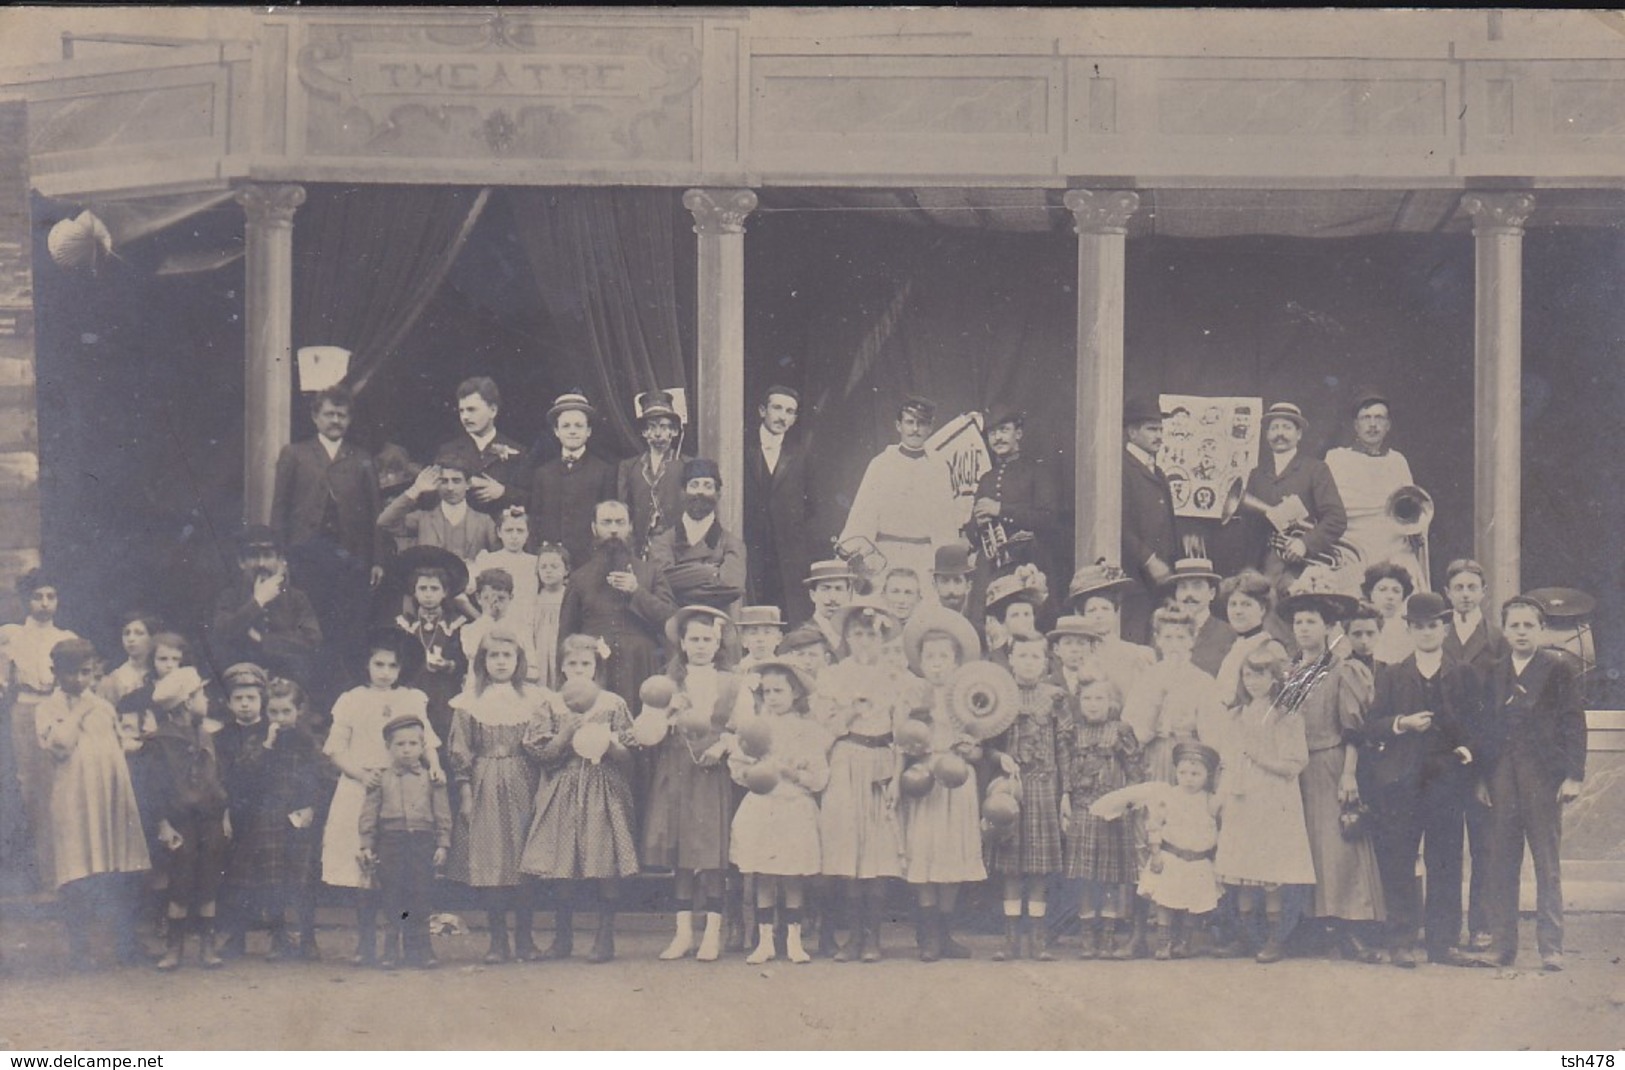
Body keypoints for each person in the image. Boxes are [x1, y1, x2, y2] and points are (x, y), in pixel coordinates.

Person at [1359, 591, 1482, 968]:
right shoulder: (1394, 674)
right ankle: (1402, 939)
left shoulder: (1463, 673)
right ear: (1409, 630)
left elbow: (1481, 723)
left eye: (1434, 626)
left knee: (1444, 858)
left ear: (1445, 629)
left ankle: (1443, 943)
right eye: (1419, 627)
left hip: (1446, 778)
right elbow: (1372, 725)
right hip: (1403, 778)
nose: (1427, 633)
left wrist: (1466, 754)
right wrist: (1402, 724)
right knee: (1399, 857)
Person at [321, 631, 443, 967]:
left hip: (403, 790)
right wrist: (361, 774)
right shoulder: (351, 700)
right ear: (368, 665)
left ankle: (403, 945)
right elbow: (334, 749)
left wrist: (434, 768)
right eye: (379, 664)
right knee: (364, 867)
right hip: (361, 787)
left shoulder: (411, 698)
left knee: (399, 873)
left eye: (391, 665)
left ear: (400, 668)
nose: (385, 672)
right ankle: (366, 943)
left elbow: (427, 741)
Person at [1478, 596, 1587, 972]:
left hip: (1543, 775)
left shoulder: (1558, 669)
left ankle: (1551, 947)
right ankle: (1501, 946)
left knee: (1546, 861)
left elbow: (1573, 722)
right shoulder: (1493, 672)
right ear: (1504, 630)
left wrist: (1573, 774)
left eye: (1529, 625)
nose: (1521, 632)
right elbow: (1484, 727)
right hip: (1502, 775)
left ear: (1541, 629)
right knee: (1501, 862)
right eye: (1515, 625)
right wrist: (1482, 777)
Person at [640, 605, 754, 962]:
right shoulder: (667, 682)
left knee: (711, 856)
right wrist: (666, 713)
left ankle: (712, 935)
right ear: (683, 644)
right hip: (677, 770)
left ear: (717, 642)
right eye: (695, 639)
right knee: (683, 856)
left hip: (712, 772)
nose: (702, 645)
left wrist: (722, 746)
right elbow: (646, 735)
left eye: (708, 639)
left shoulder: (734, 682)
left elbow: (746, 731)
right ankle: (683, 934)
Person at [1279, 590, 1386, 964]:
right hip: (1294, 768)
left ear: (1328, 627)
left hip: (1330, 762)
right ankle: (1310, 924)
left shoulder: (1343, 669)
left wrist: (1349, 774)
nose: (1303, 629)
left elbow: (1353, 728)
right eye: (1298, 622)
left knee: (1338, 847)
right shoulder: (1289, 671)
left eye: (1311, 622)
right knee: (1304, 847)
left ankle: (1350, 926)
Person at [520, 634, 641, 964]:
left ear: (595, 667)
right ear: (561, 667)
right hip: (564, 786)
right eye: (572, 664)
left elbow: (631, 756)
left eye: (585, 664)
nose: (578, 670)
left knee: (604, 861)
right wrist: (565, 734)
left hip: (603, 787)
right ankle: (563, 935)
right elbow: (538, 753)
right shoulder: (551, 704)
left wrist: (611, 744)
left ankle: (605, 936)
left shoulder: (612, 703)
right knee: (563, 862)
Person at [34, 637, 150, 970]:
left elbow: (116, 744)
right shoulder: (49, 708)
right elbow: (60, 746)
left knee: (118, 866)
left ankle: (126, 945)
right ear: (57, 673)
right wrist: (83, 709)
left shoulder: (104, 706)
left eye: (87, 673)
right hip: (74, 797)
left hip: (109, 795)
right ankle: (80, 950)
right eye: (73, 674)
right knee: (77, 870)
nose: (81, 681)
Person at [813, 601, 908, 963]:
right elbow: (828, 726)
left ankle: (872, 936)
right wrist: (851, 708)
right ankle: (851, 935)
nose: (865, 641)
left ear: (881, 638)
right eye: (857, 634)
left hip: (881, 760)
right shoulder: (834, 675)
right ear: (847, 637)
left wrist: (897, 778)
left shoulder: (895, 676)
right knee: (848, 847)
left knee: (878, 848)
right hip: (847, 758)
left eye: (871, 634)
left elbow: (901, 733)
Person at [1210, 644, 1314, 964]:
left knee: (1273, 868)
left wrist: (1259, 758)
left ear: (1274, 678)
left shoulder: (1286, 716)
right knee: (1244, 866)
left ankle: (1275, 938)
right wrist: (1223, 796)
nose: (1253, 681)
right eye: (1247, 675)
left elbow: (1295, 763)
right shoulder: (1236, 715)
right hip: (1243, 797)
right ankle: (1249, 938)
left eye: (1261, 675)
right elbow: (1228, 761)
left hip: (1274, 797)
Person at [447, 628, 544, 964]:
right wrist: (465, 792)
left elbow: (544, 743)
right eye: (493, 656)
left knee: (524, 861)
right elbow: (460, 750)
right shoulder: (470, 701)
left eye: (507, 656)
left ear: (518, 661)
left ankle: (525, 938)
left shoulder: (533, 699)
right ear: (482, 661)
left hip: (524, 779)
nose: (501, 662)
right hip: (485, 780)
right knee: (491, 861)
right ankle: (497, 940)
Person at [728, 659, 833, 965]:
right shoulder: (755, 727)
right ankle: (764, 942)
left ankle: (793, 940)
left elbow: (819, 776)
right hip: (762, 806)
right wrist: (755, 772)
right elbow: (736, 766)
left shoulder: (808, 730)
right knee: (764, 875)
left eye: (780, 690)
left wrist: (794, 772)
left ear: (795, 693)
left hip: (794, 806)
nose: (773, 696)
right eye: (767, 691)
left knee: (792, 877)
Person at [271, 384, 382, 673]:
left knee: (347, 629)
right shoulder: (295, 454)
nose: (336, 421)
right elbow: (279, 509)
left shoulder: (361, 458)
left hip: (350, 559)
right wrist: (278, 557)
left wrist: (376, 560)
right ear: (315, 417)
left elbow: (375, 514)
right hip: (304, 557)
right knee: (310, 625)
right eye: (330, 414)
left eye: (342, 415)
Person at [897, 607, 986, 962]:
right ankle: (928, 932)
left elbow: (980, 742)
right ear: (919, 661)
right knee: (925, 851)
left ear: (956, 660)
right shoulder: (912, 696)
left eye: (943, 657)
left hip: (957, 778)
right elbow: (901, 737)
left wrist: (970, 748)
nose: (936, 664)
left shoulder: (967, 696)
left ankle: (945, 930)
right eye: (929, 657)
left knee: (953, 853)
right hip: (924, 778)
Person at [1090, 741, 1224, 960]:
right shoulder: (1169, 796)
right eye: (1183, 772)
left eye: (1195, 774)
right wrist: (1156, 853)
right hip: (1171, 857)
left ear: (1207, 775)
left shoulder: (1210, 800)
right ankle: (1163, 943)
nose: (1188, 778)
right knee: (1165, 899)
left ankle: (1184, 942)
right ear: (1176, 772)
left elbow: (1218, 826)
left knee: (1192, 901)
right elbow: (1155, 825)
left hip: (1199, 861)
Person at [223, 677, 323, 961]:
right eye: (274, 713)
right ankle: (278, 938)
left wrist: (312, 808)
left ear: (298, 711)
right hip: (269, 817)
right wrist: (267, 745)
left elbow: (319, 779)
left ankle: (307, 937)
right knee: (273, 878)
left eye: (286, 712)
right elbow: (247, 776)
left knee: (303, 878)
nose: (280, 719)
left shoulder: (307, 742)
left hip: (300, 817)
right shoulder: (261, 741)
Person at [986, 634, 1071, 962]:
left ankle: (1039, 940)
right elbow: (987, 742)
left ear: (1046, 661)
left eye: (1035, 656)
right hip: (1011, 789)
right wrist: (999, 759)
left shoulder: (1056, 698)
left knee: (1038, 869)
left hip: (1045, 787)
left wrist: (1065, 793)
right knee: (1011, 868)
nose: (1028, 662)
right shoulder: (1001, 696)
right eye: (1022, 656)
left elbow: (1064, 746)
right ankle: (1010, 941)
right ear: (1011, 659)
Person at [143, 667, 230, 970]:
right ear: (185, 703)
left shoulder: (206, 734)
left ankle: (207, 945)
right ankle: (174, 946)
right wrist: (163, 824)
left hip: (210, 818)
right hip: (180, 822)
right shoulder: (160, 741)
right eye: (200, 694)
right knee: (180, 879)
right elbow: (154, 788)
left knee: (209, 876)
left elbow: (217, 778)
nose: (205, 699)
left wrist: (224, 813)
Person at [1440, 557, 1507, 950]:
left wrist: (1486, 761)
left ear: (1483, 593)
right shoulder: (1437, 634)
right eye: (1458, 588)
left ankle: (1482, 923)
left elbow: (1499, 705)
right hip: (1446, 755)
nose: (1465, 595)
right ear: (1447, 593)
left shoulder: (1497, 639)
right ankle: (1446, 927)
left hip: (1484, 755)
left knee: (1484, 843)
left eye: (1472, 588)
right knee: (1446, 844)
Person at [840, 396, 964, 599]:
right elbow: (863, 516)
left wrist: (946, 566)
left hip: (925, 559)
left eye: (922, 423)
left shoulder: (939, 468)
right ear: (898, 425)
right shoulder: (881, 464)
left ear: (931, 427)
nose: (915, 429)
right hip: (886, 556)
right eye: (909, 422)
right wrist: (859, 557)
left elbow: (945, 524)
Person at [1, 569, 79, 890]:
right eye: (37, 597)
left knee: (60, 785)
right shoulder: (10, 637)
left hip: (57, 711)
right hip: (24, 711)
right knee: (30, 787)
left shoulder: (66, 639)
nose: (45, 604)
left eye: (51, 597)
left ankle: (64, 874)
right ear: (25, 599)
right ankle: (39, 874)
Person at [557, 500, 677, 706]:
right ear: (594, 528)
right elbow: (566, 636)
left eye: (620, 523)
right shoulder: (579, 578)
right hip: (595, 669)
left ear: (630, 527)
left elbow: (670, 620)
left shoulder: (650, 572)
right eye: (606, 522)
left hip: (642, 667)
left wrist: (637, 592)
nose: (613, 530)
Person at [1062, 670, 1145, 960]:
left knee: (1110, 877)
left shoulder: (1121, 731)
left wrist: (1127, 803)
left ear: (1111, 701)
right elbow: (1066, 770)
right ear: (1079, 701)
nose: (1093, 704)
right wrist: (1066, 798)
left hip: (1112, 812)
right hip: (1083, 810)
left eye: (1100, 698)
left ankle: (1108, 934)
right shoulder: (1073, 732)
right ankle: (1087, 936)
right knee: (1085, 876)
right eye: (1087, 698)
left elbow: (1135, 770)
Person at [358, 714, 452, 970]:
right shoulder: (380, 778)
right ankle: (390, 949)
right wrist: (366, 844)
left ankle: (421, 949)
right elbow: (369, 814)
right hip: (391, 842)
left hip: (422, 842)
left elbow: (442, 813)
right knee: (393, 895)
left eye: (413, 743)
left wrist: (442, 844)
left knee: (420, 895)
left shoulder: (432, 778)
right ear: (388, 748)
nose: (407, 749)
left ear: (422, 747)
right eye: (400, 744)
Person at [1323, 392, 1427, 593]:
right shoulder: (1336, 458)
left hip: (1394, 549)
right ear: (1356, 425)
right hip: (1351, 549)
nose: (1372, 424)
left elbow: (1411, 509)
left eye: (1379, 418)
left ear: (1388, 425)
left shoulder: (1398, 461)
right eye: (1366, 418)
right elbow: (1329, 508)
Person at [1243, 402, 1347, 586]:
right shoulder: (1256, 475)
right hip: (1264, 569)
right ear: (1267, 435)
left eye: (1287, 427)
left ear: (1298, 434)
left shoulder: (1316, 469)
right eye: (1274, 428)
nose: (1280, 433)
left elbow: (1336, 518)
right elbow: (1250, 527)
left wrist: (1305, 543)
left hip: (1301, 571)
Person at [207, 526, 322, 687]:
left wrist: (264, 640)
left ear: (280, 560)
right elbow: (222, 633)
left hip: (287, 680)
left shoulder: (296, 598)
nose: (261, 564)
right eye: (253, 556)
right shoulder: (229, 597)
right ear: (241, 562)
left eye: (268, 556)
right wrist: (258, 601)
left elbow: (312, 639)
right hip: (241, 682)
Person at [968, 406, 1059, 601]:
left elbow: (1049, 519)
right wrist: (977, 523)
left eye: (1003, 430)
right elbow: (972, 533)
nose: (997, 438)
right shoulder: (986, 479)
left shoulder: (1036, 472)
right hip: (990, 567)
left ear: (1018, 433)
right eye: (992, 433)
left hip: (1027, 562)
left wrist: (1000, 510)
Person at [214, 662, 272, 959]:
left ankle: (278, 937)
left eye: (251, 697)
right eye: (239, 698)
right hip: (236, 810)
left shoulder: (273, 730)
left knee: (271, 870)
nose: (245, 704)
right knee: (235, 874)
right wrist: (224, 813)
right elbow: (219, 778)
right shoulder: (221, 737)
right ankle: (234, 935)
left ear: (262, 700)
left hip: (268, 808)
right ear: (228, 703)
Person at [744, 386, 815, 622]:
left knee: (785, 613)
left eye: (789, 411)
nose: (782, 416)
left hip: (786, 552)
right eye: (777, 408)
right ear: (762, 410)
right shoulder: (742, 447)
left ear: (794, 419)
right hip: (749, 546)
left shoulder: (801, 454)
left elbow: (810, 504)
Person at [1123, 608, 1217, 785]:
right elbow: (1139, 732)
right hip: (1155, 754)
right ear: (1157, 639)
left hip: (1190, 756)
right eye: (1168, 638)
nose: (1175, 645)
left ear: (1192, 640)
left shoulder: (1203, 681)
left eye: (1181, 638)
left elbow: (1211, 734)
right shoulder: (1147, 678)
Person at [394, 565, 469, 777]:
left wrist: (449, 665)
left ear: (445, 592)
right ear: (414, 592)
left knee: (445, 736)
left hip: (445, 689)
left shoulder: (456, 623)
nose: (428, 594)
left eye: (434, 589)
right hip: (415, 686)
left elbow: (464, 660)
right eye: (423, 588)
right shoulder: (405, 623)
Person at [528, 392, 618, 570]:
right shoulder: (543, 473)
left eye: (579, 426)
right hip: (551, 563)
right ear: (556, 431)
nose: (572, 431)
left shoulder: (603, 471)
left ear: (588, 431)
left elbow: (608, 520)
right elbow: (535, 520)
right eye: (566, 425)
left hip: (589, 561)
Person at [647, 458, 748, 611]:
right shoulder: (663, 542)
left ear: (718, 494)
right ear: (683, 492)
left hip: (716, 628)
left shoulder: (731, 543)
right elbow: (659, 582)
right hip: (675, 624)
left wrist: (679, 585)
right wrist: (711, 573)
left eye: (708, 486)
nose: (700, 491)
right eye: (694, 485)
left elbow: (733, 587)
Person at [377, 451, 501, 570]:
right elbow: (384, 522)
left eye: (456, 481)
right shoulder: (422, 519)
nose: (450, 488)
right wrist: (416, 489)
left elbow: (500, 557)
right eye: (444, 481)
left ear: (468, 484)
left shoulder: (484, 522)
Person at [1121, 396, 1180, 641]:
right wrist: (1148, 560)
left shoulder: (1158, 472)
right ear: (1132, 432)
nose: (1159, 436)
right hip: (1134, 579)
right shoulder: (1120, 468)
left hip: (1158, 582)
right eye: (1151, 429)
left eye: (1160, 430)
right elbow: (1116, 524)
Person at [437, 376, 533, 518]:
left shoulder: (517, 452)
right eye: (461, 411)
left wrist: (503, 492)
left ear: (493, 410)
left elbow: (533, 499)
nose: (465, 417)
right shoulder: (448, 451)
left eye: (471, 410)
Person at [1059, 561, 1156, 701]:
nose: (1099, 615)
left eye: (1105, 609)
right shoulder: (1077, 658)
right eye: (1092, 610)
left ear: (1115, 611)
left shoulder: (1139, 656)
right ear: (1081, 615)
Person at [616, 389, 689, 556]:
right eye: (651, 427)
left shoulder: (686, 465)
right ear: (644, 432)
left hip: (676, 548)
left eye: (663, 427)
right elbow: (624, 509)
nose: (657, 433)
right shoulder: (629, 467)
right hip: (641, 547)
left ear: (674, 431)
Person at [467, 506, 540, 628]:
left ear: (528, 534)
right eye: (509, 530)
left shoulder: (535, 562)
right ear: (499, 532)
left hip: (527, 624)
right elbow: (466, 589)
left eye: (520, 531)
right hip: (495, 625)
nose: (514, 536)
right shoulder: (487, 560)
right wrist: (480, 618)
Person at [1164, 556, 1236, 676]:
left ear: (1211, 593)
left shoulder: (1228, 634)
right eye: (1183, 587)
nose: (1189, 594)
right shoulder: (1164, 633)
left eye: (1197, 586)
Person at [526, 543, 571, 690]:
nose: (548, 571)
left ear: (566, 570)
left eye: (554, 566)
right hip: (540, 653)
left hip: (562, 652)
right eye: (543, 567)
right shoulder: (534, 599)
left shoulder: (570, 597)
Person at [97, 608, 162, 708]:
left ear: (152, 637)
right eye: (126, 633)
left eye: (139, 633)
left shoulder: (162, 671)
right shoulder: (113, 679)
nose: (131, 639)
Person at [1362, 562, 1415, 666]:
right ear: (1370, 593)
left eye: (1396, 591)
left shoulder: (1411, 633)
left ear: (1403, 597)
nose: (1390, 596)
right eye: (1382, 589)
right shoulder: (1360, 629)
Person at [802, 559, 856, 651]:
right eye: (825, 589)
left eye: (839, 589)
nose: (833, 597)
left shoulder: (859, 635)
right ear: (813, 595)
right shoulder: (800, 636)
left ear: (848, 594)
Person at [735, 605, 786, 673]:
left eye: (767, 632)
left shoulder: (785, 672)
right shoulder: (736, 673)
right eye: (753, 633)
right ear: (743, 640)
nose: (760, 639)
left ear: (779, 638)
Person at [929, 544, 976, 618]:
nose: (951, 590)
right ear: (935, 585)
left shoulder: (979, 623)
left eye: (957, 581)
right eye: (944, 581)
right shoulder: (927, 622)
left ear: (968, 585)